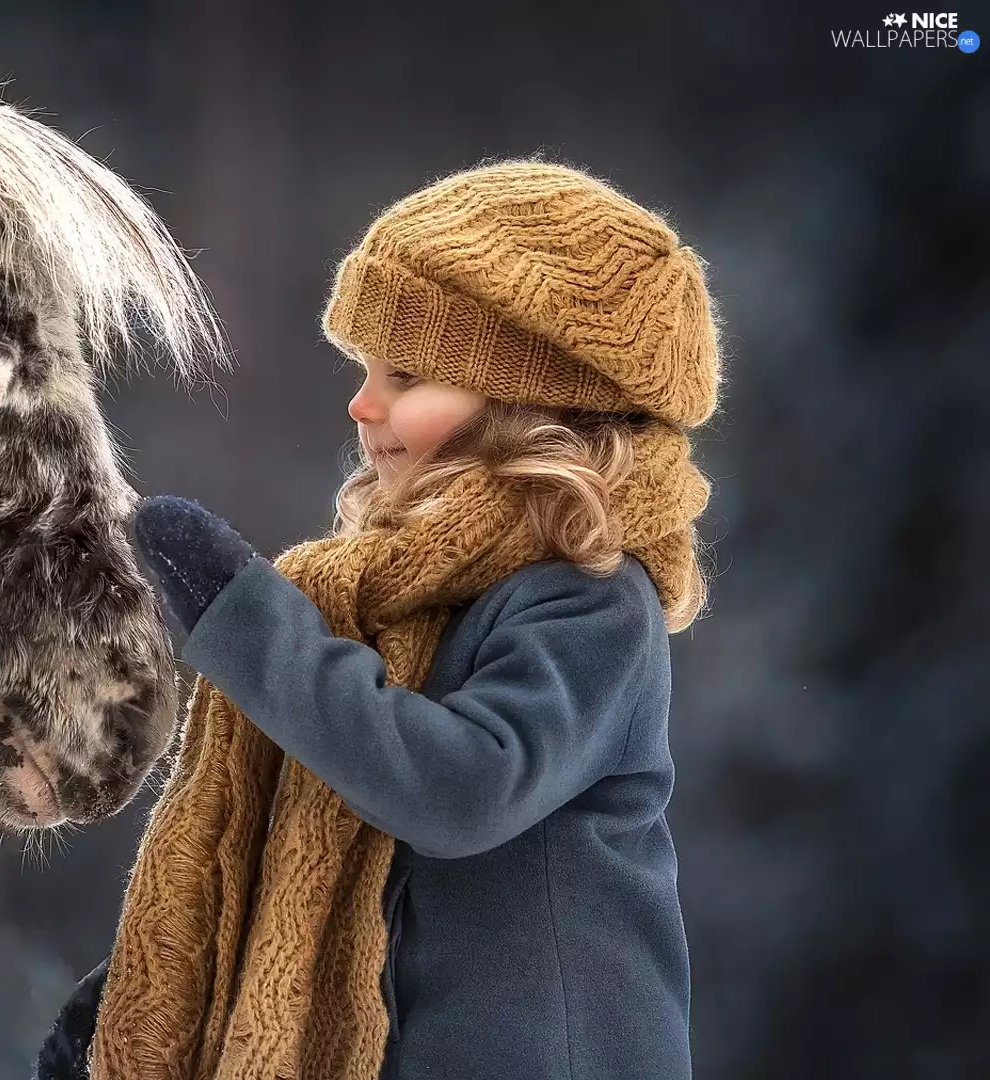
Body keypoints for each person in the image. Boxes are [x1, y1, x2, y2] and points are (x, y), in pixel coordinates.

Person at [36, 158, 722, 1080]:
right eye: (364, 370)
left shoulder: (591, 603)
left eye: (405, 374)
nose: (363, 405)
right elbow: (326, 859)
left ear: (526, 397)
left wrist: (250, 625)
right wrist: (169, 993)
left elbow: (456, 789)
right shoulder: (389, 596)